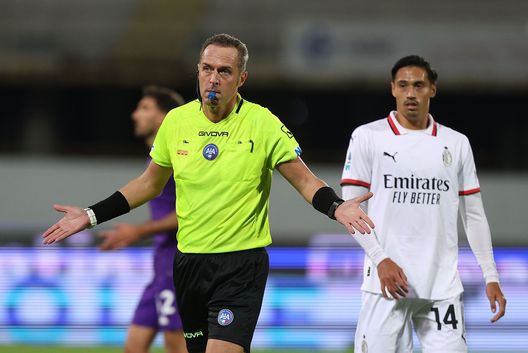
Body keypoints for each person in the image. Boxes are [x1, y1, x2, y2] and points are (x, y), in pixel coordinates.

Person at [42, 33, 375, 353]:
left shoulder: (262, 123)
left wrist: (336, 207)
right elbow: (148, 183)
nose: (214, 78)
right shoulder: (177, 121)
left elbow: (304, 181)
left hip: (240, 265)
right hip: (189, 264)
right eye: (207, 69)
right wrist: (91, 215)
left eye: (224, 71)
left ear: (241, 78)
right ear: (198, 71)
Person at [341, 55, 507, 353]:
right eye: (403, 85)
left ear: (433, 89)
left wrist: (490, 276)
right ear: (393, 89)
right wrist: (381, 259)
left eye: (419, 85)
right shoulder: (367, 137)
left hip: (441, 287)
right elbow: (351, 210)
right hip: (386, 285)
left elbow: (474, 215)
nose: (410, 93)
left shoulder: (456, 143)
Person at [97, 85, 187, 353]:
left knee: (176, 344)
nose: (135, 115)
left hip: (178, 263)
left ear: (163, 118)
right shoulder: (157, 158)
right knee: (134, 346)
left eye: (144, 108)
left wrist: (138, 231)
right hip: (162, 265)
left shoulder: (178, 157)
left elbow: (193, 213)